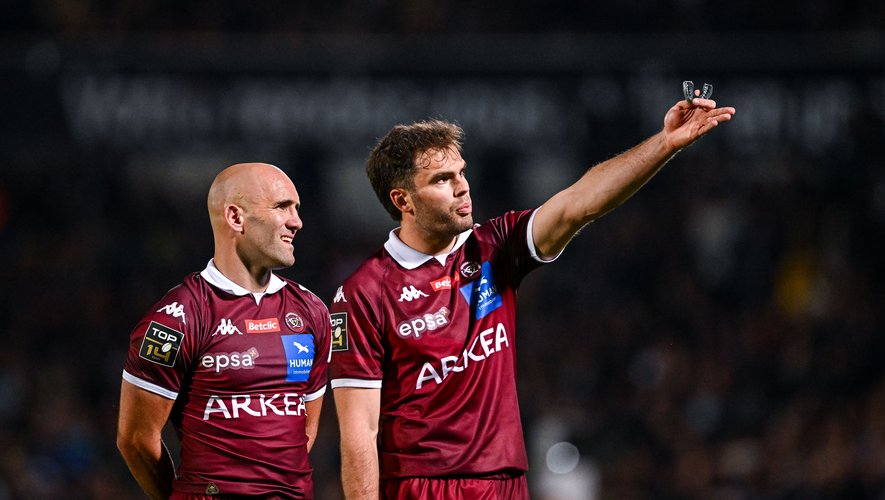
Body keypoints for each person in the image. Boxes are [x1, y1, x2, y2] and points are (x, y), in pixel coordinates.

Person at [328, 90, 735, 499]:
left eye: (461, 172)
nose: (462, 187)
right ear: (403, 200)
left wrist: (664, 143)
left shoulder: (494, 247)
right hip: (422, 488)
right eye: (442, 179)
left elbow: (579, 203)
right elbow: (360, 432)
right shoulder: (365, 293)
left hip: (506, 483)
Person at [117, 162, 331, 499]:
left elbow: (304, 429)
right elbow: (135, 440)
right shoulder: (177, 319)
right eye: (282, 207)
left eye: (297, 208)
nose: (296, 221)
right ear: (235, 217)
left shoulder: (312, 311)